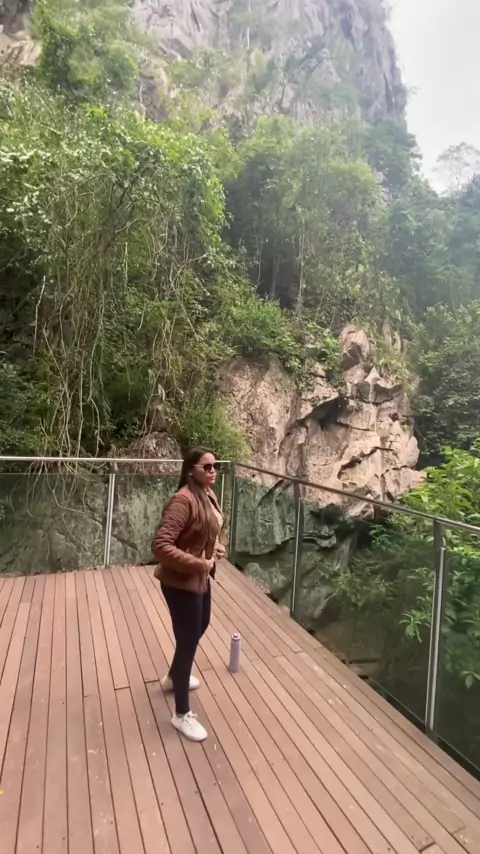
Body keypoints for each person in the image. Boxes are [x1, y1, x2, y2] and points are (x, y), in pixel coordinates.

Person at [152, 446, 225, 742]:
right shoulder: (182, 501)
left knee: (199, 627)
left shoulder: (207, 494)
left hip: (199, 578)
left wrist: (217, 548)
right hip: (180, 583)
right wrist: (198, 563)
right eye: (206, 467)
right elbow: (161, 545)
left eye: (215, 466)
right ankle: (181, 714)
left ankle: (173, 677)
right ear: (190, 470)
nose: (213, 471)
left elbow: (210, 528)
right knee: (187, 641)